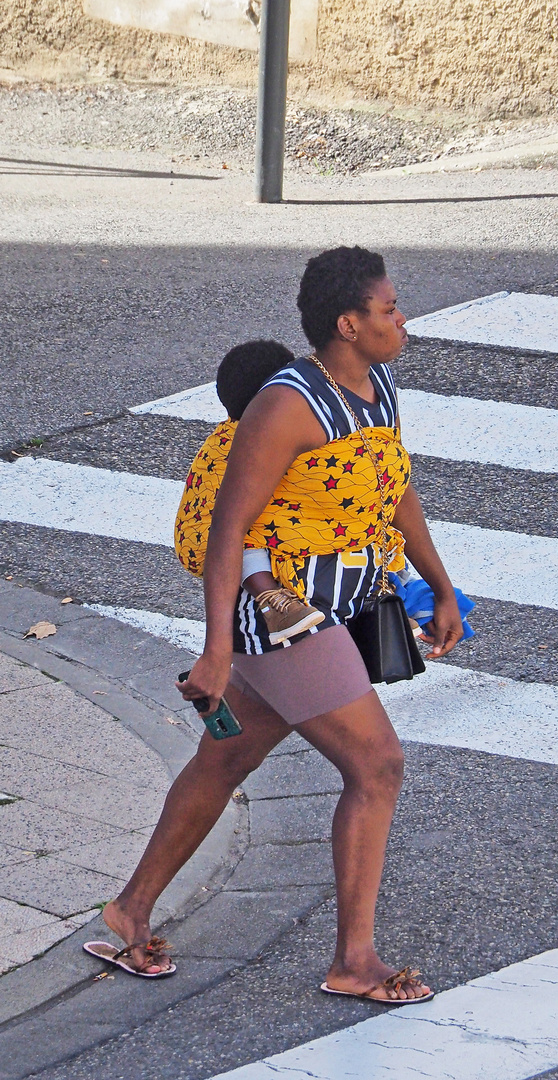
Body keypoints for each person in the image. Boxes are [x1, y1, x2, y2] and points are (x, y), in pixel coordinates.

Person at [94, 246, 464, 1002]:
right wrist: (216, 650)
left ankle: (129, 912)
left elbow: (394, 488)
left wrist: (440, 582)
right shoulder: (288, 405)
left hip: (344, 603)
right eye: (389, 308)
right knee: (376, 764)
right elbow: (230, 526)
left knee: (226, 761)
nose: (402, 318)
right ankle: (353, 960)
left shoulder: (377, 384)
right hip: (281, 611)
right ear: (348, 324)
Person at [179, 339, 326, 644]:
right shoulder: (255, 440)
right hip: (215, 540)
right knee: (247, 536)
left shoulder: (227, 434)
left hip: (208, 536)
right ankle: (271, 599)